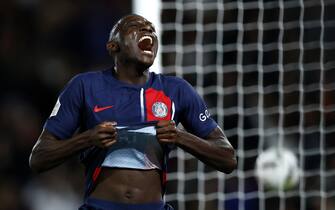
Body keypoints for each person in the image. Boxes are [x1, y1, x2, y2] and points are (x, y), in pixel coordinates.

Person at [29, 14, 237, 210]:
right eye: (134, 27)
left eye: (151, 29)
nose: (147, 30)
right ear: (113, 46)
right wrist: (87, 139)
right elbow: (39, 158)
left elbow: (227, 158)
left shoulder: (177, 90)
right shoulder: (84, 86)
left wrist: (180, 137)